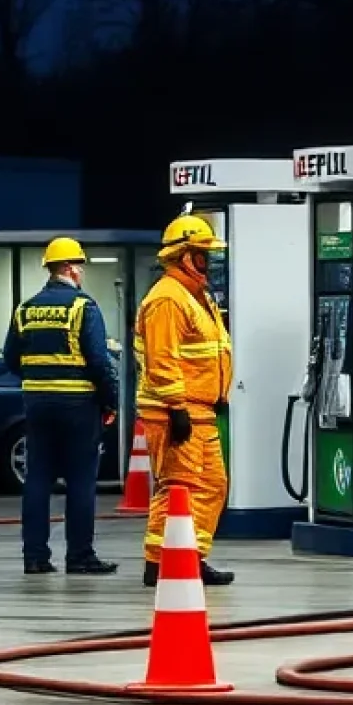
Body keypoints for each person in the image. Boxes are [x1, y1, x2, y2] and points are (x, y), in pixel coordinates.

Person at [2, 236, 120, 576]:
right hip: (78, 405)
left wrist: (40, 376)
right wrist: (109, 401)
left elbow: (10, 358)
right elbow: (100, 361)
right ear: (69, 267)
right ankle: (80, 556)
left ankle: (35, 557)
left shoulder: (25, 309)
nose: (82, 272)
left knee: (37, 479)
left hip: (37, 404)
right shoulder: (84, 307)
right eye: (80, 265)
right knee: (81, 480)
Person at [134, 212, 234, 588]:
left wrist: (218, 395)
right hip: (175, 410)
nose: (209, 262)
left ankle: (192, 556)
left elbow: (208, 352)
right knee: (179, 487)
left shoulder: (197, 296)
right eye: (203, 254)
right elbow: (163, 359)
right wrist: (176, 408)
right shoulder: (167, 299)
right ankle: (158, 562)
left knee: (212, 485)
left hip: (200, 409)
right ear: (184, 256)